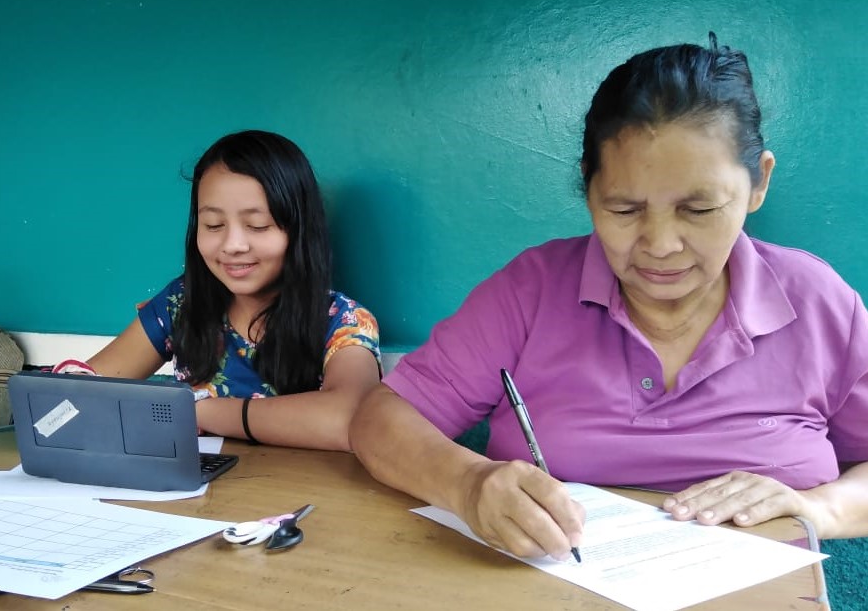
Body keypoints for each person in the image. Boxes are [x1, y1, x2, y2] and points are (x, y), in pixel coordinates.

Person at [349, 35, 868, 561]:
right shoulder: (532, 289)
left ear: (759, 183)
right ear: (588, 189)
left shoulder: (820, 304)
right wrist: (468, 482)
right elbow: (381, 420)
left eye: (699, 209)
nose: (661, 246)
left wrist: (818, 508)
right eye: (623, 210)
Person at [74, 129, 382, 451]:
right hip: (196, 497)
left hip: (301, 495)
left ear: (299, 229)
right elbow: (79, 394)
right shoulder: (181, 304)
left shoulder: (343, 320)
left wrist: (203, 413)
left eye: (258, 225)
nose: (233, 245)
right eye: (214, 226)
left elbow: (352, 418)